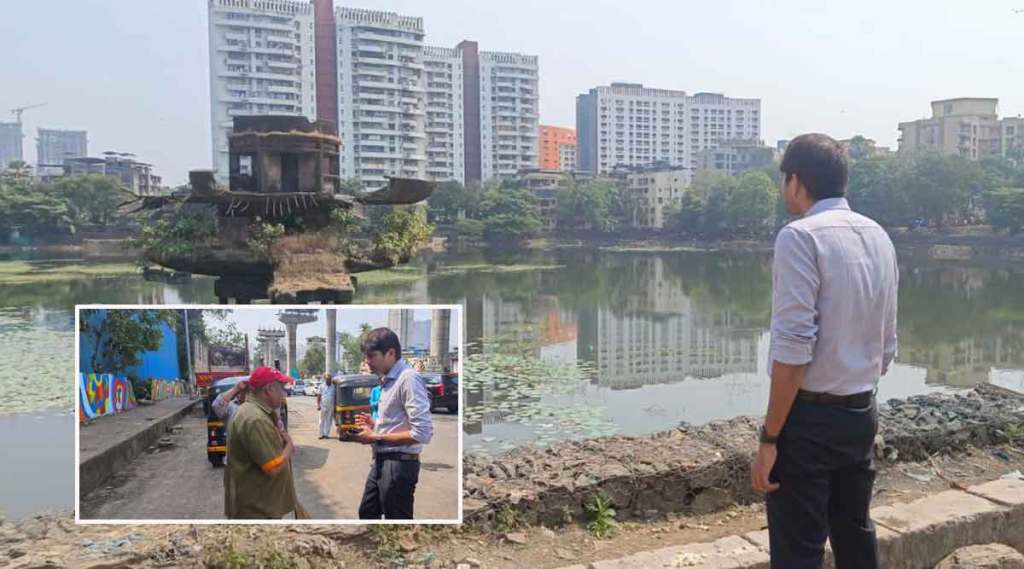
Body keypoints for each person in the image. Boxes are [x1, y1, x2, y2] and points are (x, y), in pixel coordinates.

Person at [751, 133, 898, 569]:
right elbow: (887, 344)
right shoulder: (878, 236)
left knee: (799, 548)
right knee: (855, 534)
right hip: (860, 412)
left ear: (796, 182)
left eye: (784, 181)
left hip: (810, 422)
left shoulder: (799, 237)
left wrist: (770, 438)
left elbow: (793, 351)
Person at [349, 328, 433, 520]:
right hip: (382, 460)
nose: (368, 362)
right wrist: (374, 425)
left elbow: (423, 433)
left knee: (397, 521)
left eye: (372, 356)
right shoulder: (387, 381)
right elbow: (397, 421)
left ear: (391, 353)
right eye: (366, 357)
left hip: (399, 464)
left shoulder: (408, 379)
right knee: (367, 513)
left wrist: (376, 436)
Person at [224, 366, 303, 519]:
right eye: (281, 389)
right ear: (269, 389)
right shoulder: (256, 419)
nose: (284, 394)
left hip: (259, 505)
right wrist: (289, 448)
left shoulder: (255, 411)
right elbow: (272, 468)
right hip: (257, 510)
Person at [317, 372, 335, 440]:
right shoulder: (321, 386)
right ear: (325, 379)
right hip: (323, 405)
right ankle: (321, 434)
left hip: (331, 406)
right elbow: (319, 396)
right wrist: (318, 405)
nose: (328, 380)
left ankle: (326, 434)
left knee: (328, 420)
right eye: (327, 379)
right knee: (321, 420)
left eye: (329, 378)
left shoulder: (333, 386)